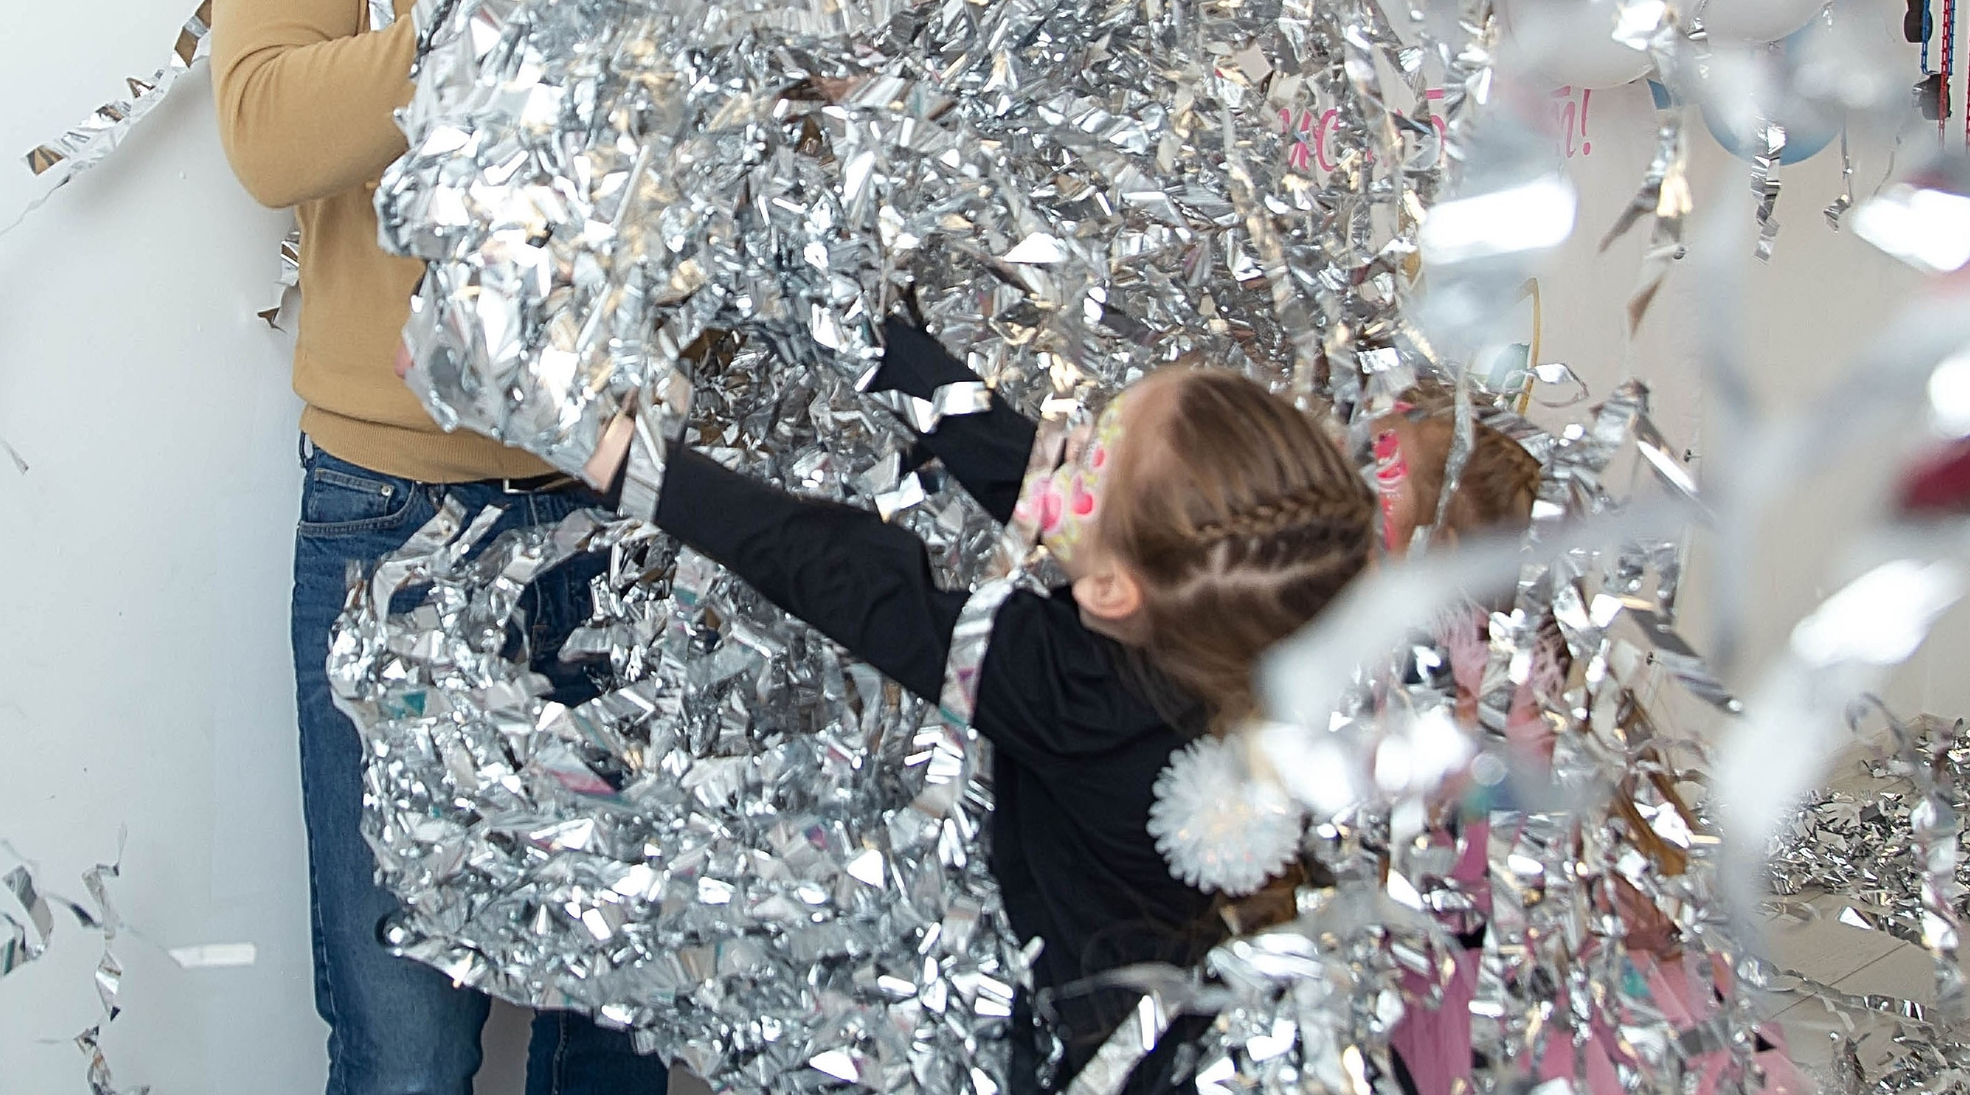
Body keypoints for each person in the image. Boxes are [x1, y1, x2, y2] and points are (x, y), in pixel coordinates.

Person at [213, 0, 669, 1095]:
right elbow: (273, 131)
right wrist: (524, 5)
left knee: (614, 1025)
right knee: (405, 1039)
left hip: (612, 515)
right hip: (385, 526)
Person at [580, 316, 1378, 1092]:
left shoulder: (1081, 694)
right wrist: (867, 329)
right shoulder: (1246, 632)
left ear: (1111, 589)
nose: (1061, 447)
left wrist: (634, 463)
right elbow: (1024, 468)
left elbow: (856, 581)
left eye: (1090, 453)